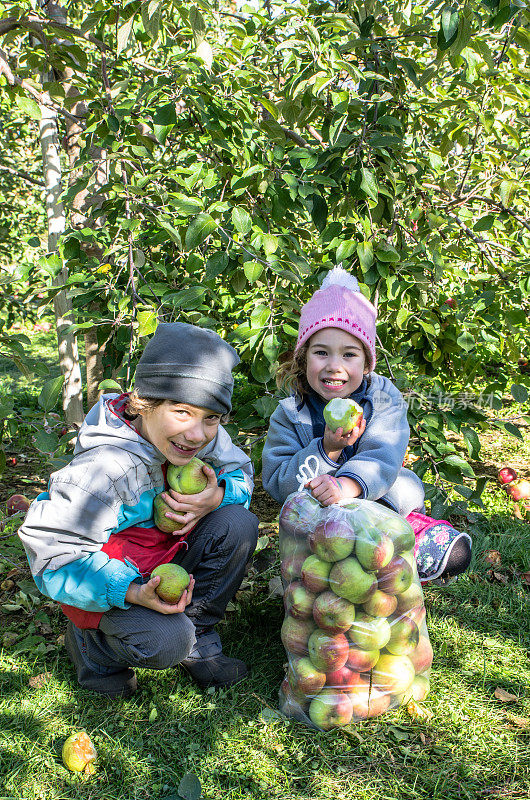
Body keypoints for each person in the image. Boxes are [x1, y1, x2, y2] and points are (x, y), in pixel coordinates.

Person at [18, 322, 259, 696]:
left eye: (211, 418)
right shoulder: (104, 470)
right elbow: (54, 555)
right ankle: (93, 647)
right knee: (166, 642)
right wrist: (132, 591)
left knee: (237, 523)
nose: (197, 434)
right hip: (113, 581)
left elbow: (240, 472)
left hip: (165, 561)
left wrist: (218, 496)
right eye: (181, 412)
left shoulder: (194, 439)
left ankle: (198, 633)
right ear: (145, 403)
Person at [262, 267, 471, 584]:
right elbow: (278, 482)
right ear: (303, 359)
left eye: (349, 354)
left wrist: (346, 487)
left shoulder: (383, 399)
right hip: (319, 523)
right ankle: (390, 550)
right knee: (301, 512)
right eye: (321, 353)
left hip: (380, 503)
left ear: (366, 362)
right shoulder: (291, 413)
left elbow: (382, 458)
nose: (335, 366)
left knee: (406, 484)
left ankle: (391, 537)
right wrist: (327, 451)